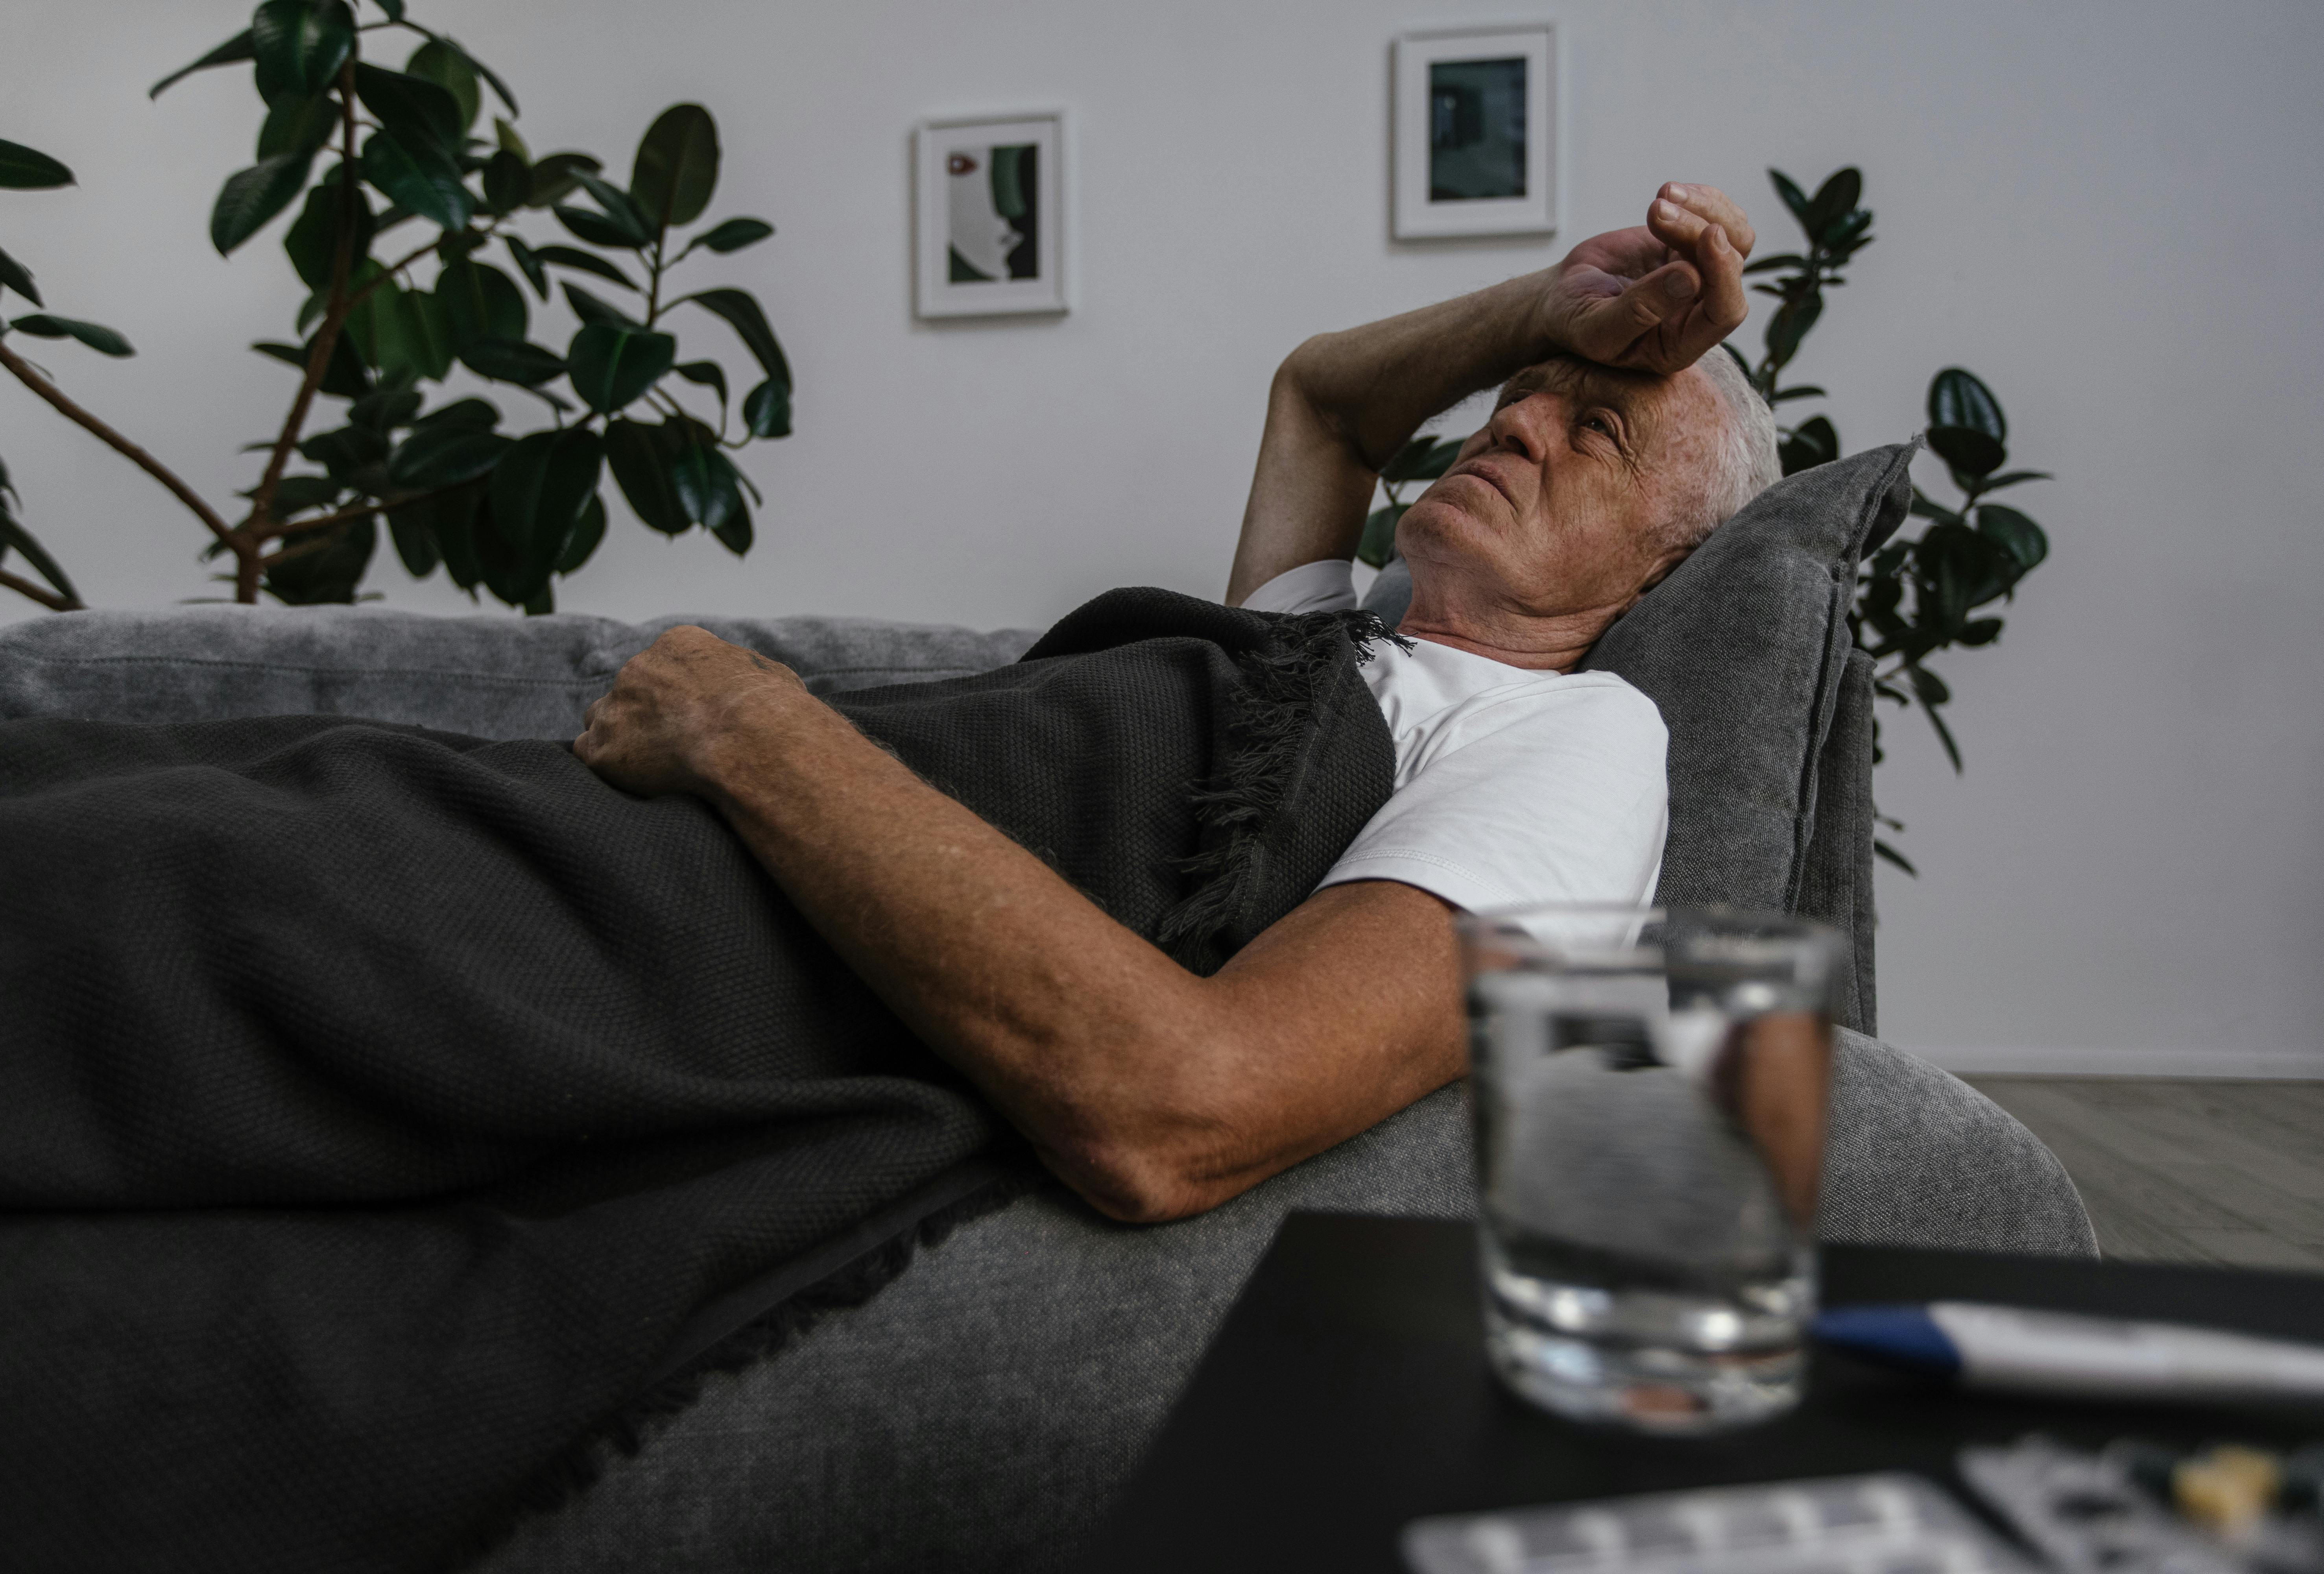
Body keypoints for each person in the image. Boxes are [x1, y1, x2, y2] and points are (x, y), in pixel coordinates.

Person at [571, 181, 1779, 1227]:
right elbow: (1323, 400)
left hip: (665, 917)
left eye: (1596, 431)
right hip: (611, 844)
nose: (1512, 421)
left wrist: (749, 725)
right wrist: (1544, 311)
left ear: (1667, 570)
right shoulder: (1323, 647)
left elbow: (1196, 1107)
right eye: (1518, 393)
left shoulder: (1574, 733)